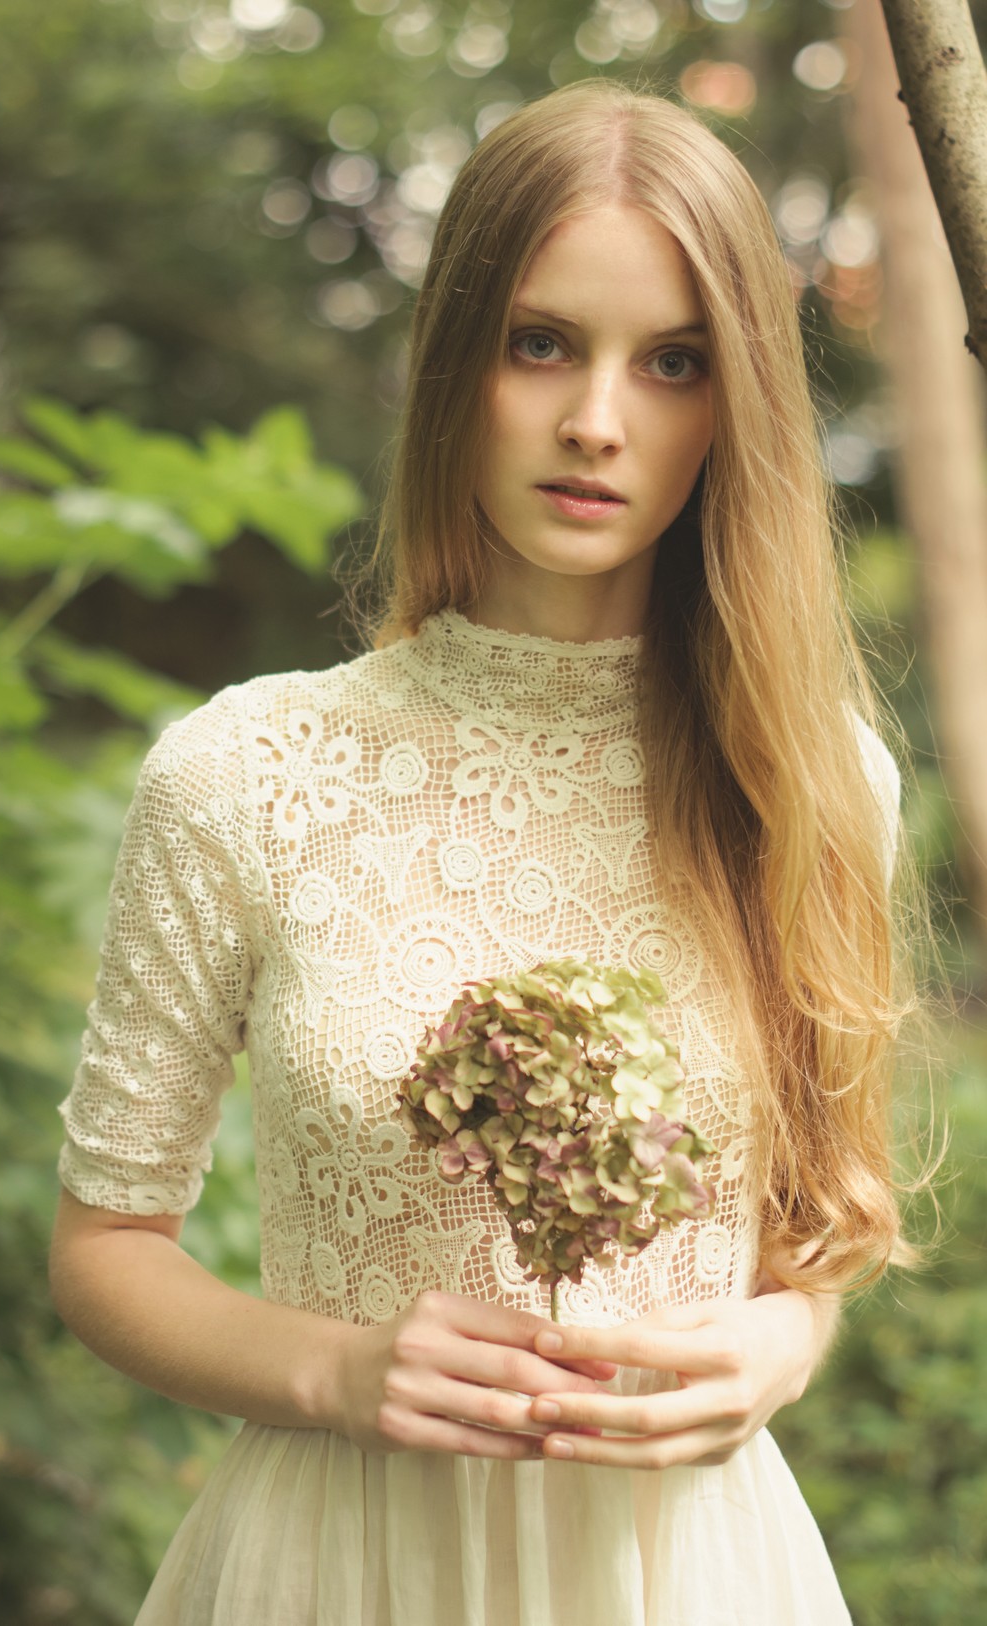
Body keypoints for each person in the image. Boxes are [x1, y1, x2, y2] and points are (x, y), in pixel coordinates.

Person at [49, 77, 917, 1624]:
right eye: (542, 343)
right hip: (335, 1559)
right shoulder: (246, 773)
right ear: (456, 359)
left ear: (740, 406)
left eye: (671, 363)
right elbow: (109, 1244)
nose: (598, 419)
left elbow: (809, 1243)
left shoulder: (813, 778)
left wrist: (771, 1356)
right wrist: (334, 1362)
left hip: (687, 1569)